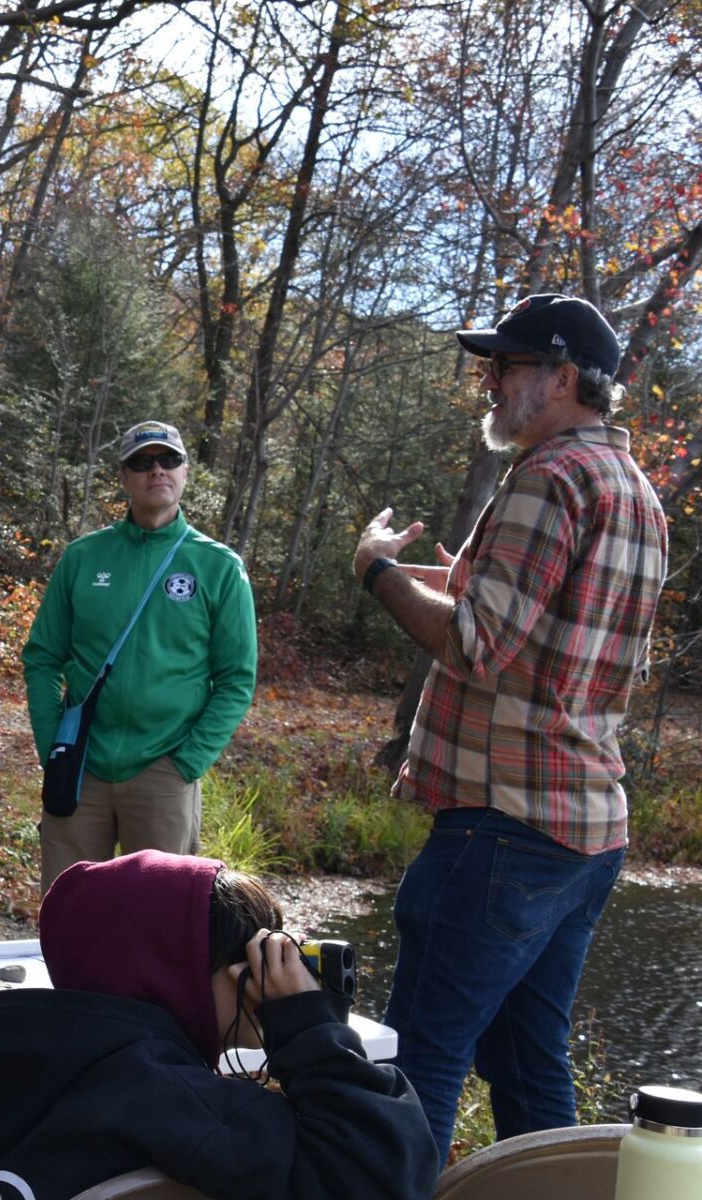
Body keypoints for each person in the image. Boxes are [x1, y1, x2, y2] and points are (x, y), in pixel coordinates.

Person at [353, 293, 667, 1160]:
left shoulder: (549, 476)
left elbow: (475, 645)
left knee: (420, 1053)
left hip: (505, 826)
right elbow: (560, 640)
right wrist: (465, 575)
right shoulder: (635, 493)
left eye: (506, 367)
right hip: (589, 830)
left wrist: (377, 573)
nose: (489, 384)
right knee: (528, 1060)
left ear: (563, 378)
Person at [0, 851, 439, 1200]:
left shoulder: (60, 1068)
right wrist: (311, 1031)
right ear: (181, 978)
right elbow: (391, 1174)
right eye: (255, 954)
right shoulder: (185, 1107)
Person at [22, 420, 257, 890]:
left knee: (158, 921)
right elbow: (43, 656)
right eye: (142, 462)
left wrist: (187, 762)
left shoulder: (218, 566)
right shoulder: (84, 557)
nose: (157, 471)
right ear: (125, 477)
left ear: (185, 472)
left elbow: (236, 679)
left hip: (163, 770)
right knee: (69, 912)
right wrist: (52, 744)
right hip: (81, 764)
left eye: (169, 460)